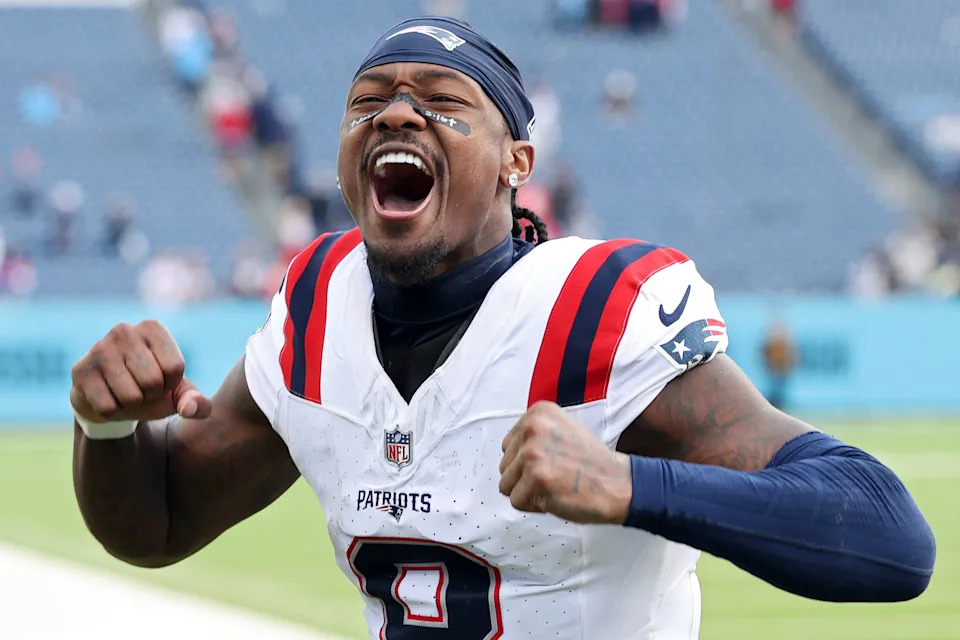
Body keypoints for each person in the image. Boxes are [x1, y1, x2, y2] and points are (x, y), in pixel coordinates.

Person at [70, 17, 934, 639]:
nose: (395, 114)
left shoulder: (590, 313)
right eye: (367, 102)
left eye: (443, 102)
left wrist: (630, 485)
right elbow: (159, 522)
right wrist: (106, 426)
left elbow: (890, 537)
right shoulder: (316, 305)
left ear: (517, 162)